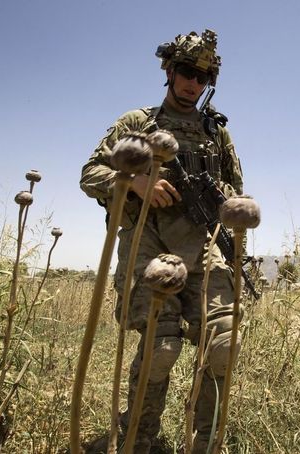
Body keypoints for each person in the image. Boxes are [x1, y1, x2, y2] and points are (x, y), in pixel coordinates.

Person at [80, 29, 244, 454]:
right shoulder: (138, 123)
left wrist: (226, 200)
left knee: (223, 344)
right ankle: (138, 439)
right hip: (149, 243)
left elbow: (237, 191)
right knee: (161, 346)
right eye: (187, 71)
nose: (193, 83)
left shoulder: (216, 132)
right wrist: (135, 181)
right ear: (169, 70)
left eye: (203, 77)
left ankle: (205, 444)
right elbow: (90, 174)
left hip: (205, 245)